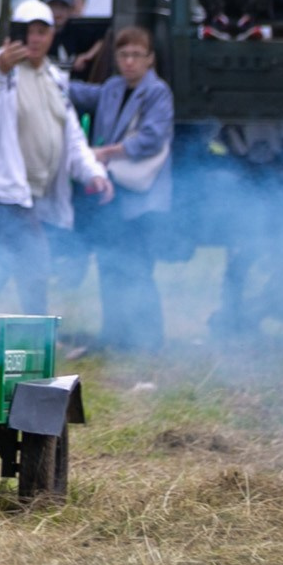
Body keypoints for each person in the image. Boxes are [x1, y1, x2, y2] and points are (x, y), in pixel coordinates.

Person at [0, 0, 111, 317]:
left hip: (27, 193)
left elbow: (72, 139)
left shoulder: (54, 78)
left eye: (43, 31)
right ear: (17, 33)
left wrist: (93, 172)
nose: (36, 39)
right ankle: (38, 336)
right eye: (30, 32)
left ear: (53, 34)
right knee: (34, 259)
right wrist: (0, 69)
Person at [68, 27, 173, 352]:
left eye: (136, 55)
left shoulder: (158, 92)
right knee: (110, 264)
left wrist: (106, 152)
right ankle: (114, 335)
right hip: (113, 193)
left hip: (143, 197)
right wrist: (48, 78)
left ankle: (150, 340)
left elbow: (151, 137)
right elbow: (82, 94)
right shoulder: (112, 87)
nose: (129, 62)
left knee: (138, 267)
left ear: (150, 59)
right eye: (123, 55)